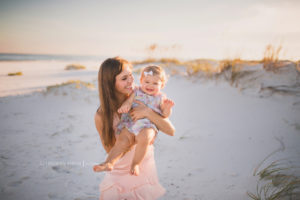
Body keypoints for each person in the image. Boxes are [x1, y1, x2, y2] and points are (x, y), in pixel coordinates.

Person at [93, 57, 175, 199]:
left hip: (142, 169)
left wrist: (147, 113)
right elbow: (108, 148)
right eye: (124, 78)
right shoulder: (102, 115)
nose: (131, 80)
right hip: (119, 171)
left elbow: (171, 131)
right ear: (111, 83)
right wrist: (129, 138)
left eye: (131, 75)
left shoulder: (144, 97)